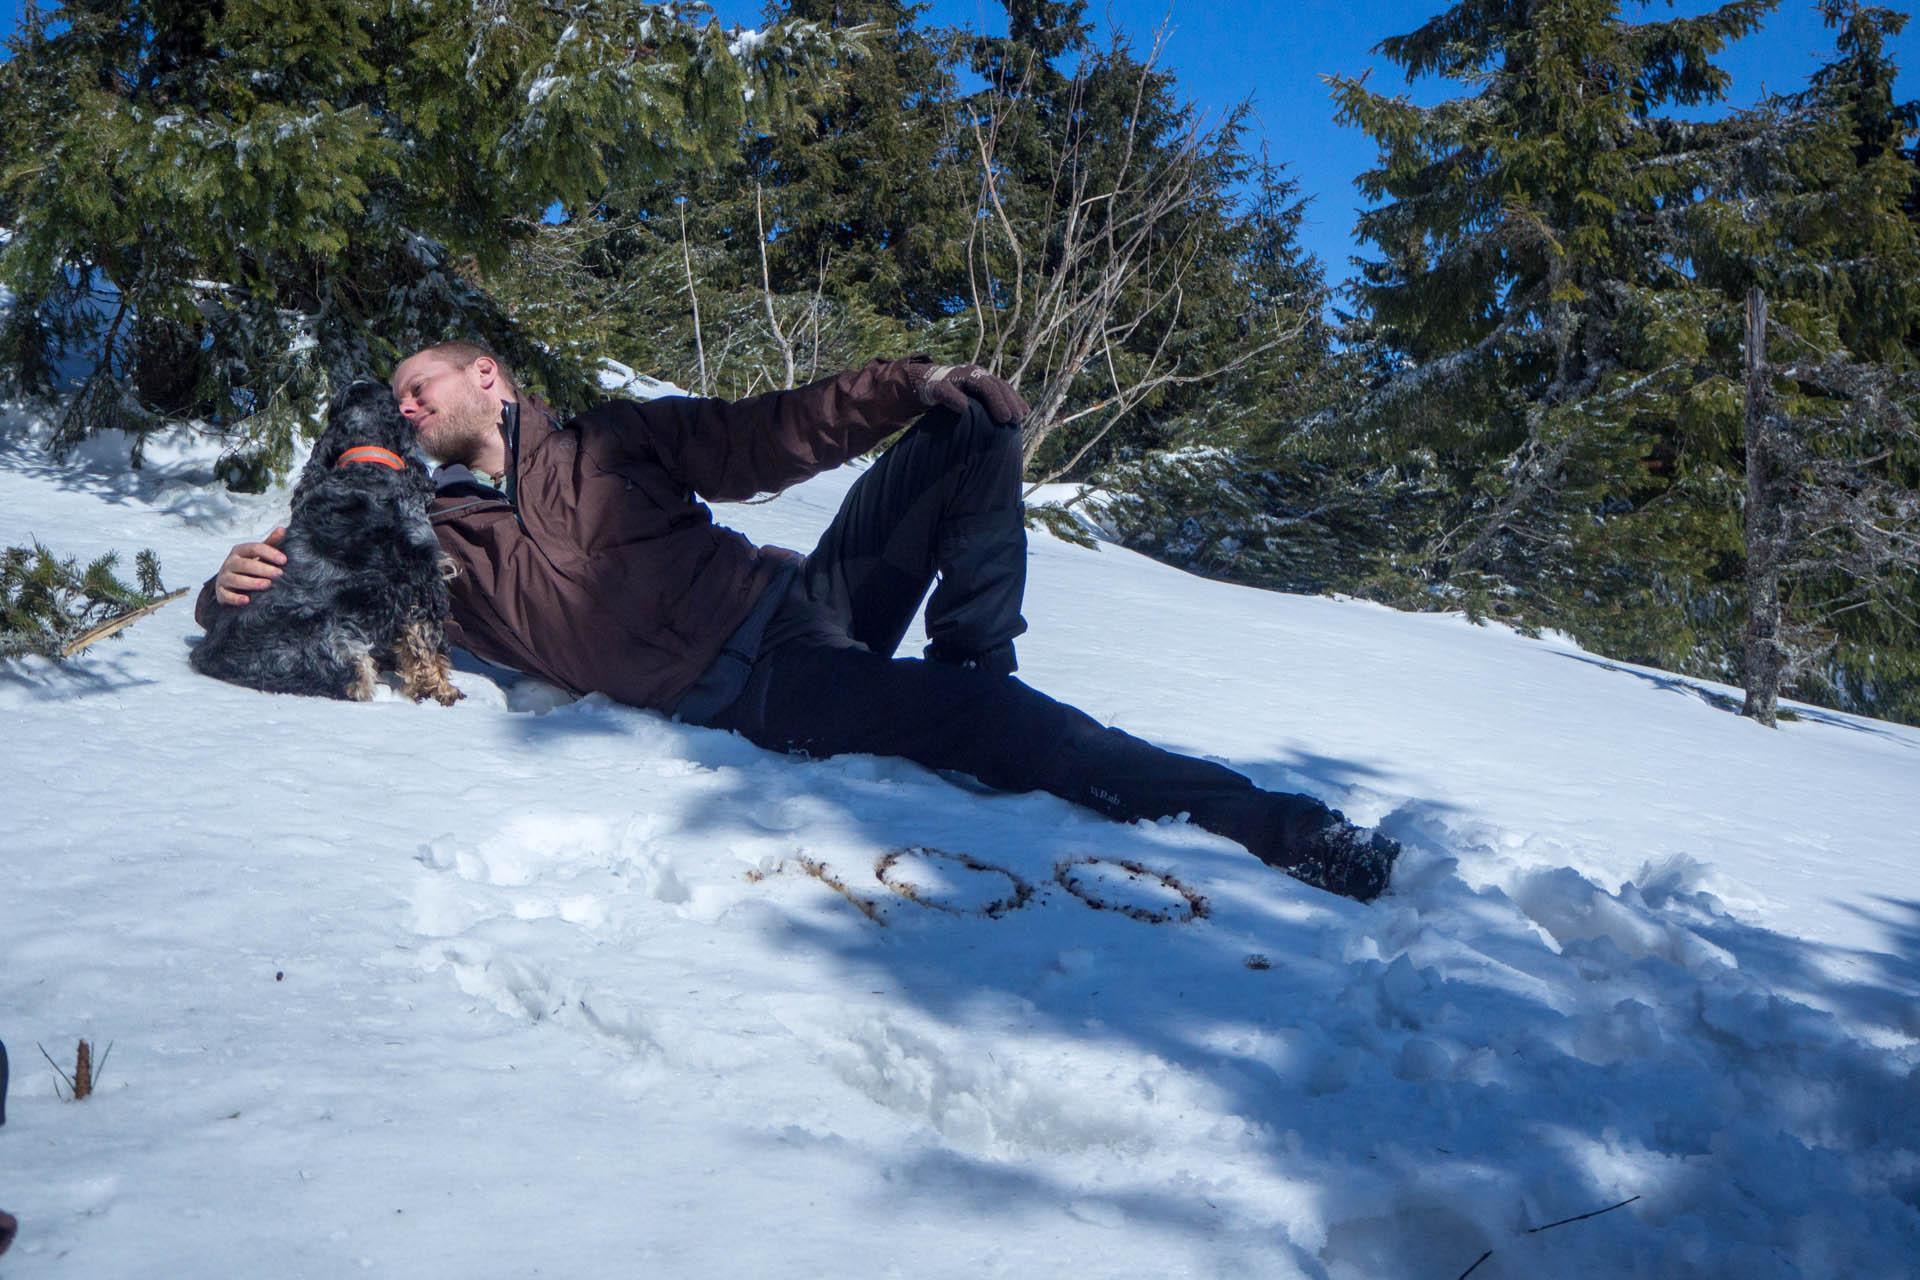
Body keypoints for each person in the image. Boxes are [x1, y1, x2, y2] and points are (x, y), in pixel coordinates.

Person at [201, 342, 1399, 901]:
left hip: (803, 597)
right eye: (396, 400)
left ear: (491, 378)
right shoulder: (432, 546)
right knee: (987, 717)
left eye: (426, 383)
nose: (408, 407)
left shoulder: (613, 438)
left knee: (972, 425)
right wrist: (231, 582)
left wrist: (909, 386)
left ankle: (974, 667)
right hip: (758, 693)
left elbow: (764, 433)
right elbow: (303, 604)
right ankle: (1288, 831)